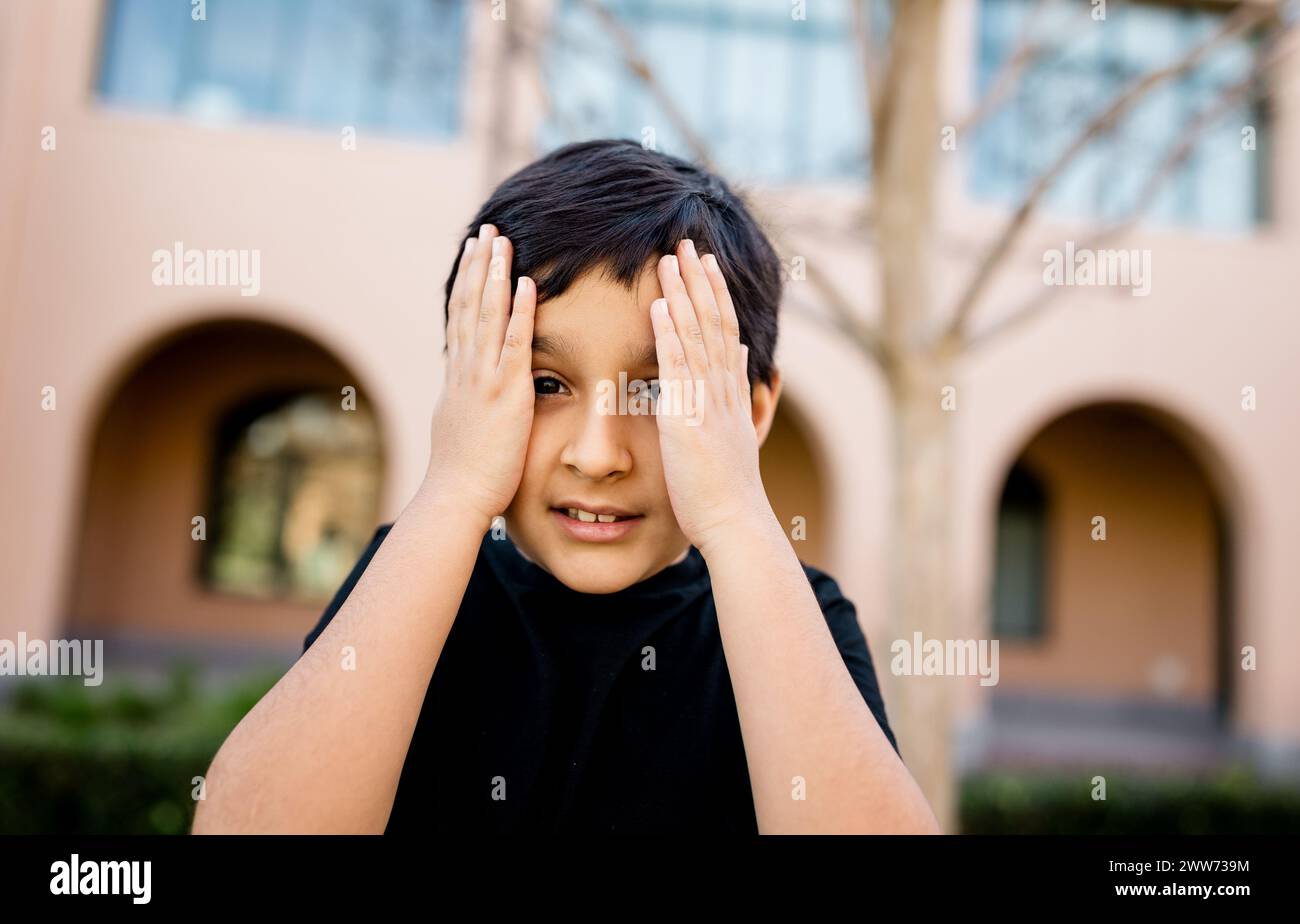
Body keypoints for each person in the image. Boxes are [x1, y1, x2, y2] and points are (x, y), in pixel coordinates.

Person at [192, 139, 940, 834]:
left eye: (656, 391)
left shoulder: (799, 616)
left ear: (750, 412)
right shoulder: (415, 572)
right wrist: (454, 490)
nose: (597, 454)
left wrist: (737, 516)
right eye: (546, 382)